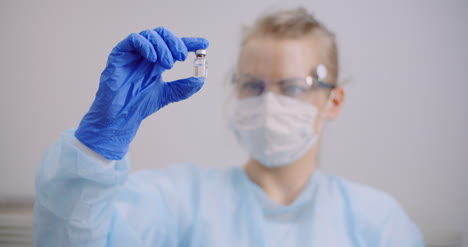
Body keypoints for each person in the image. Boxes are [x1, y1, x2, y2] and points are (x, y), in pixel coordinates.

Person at [33, 8, 425, 247]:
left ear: (333, 100)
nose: (268, 102)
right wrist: (97, 148)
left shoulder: (377, 221)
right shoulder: (179, 201)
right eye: (252, 85)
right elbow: (71, 239)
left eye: (290, 88)